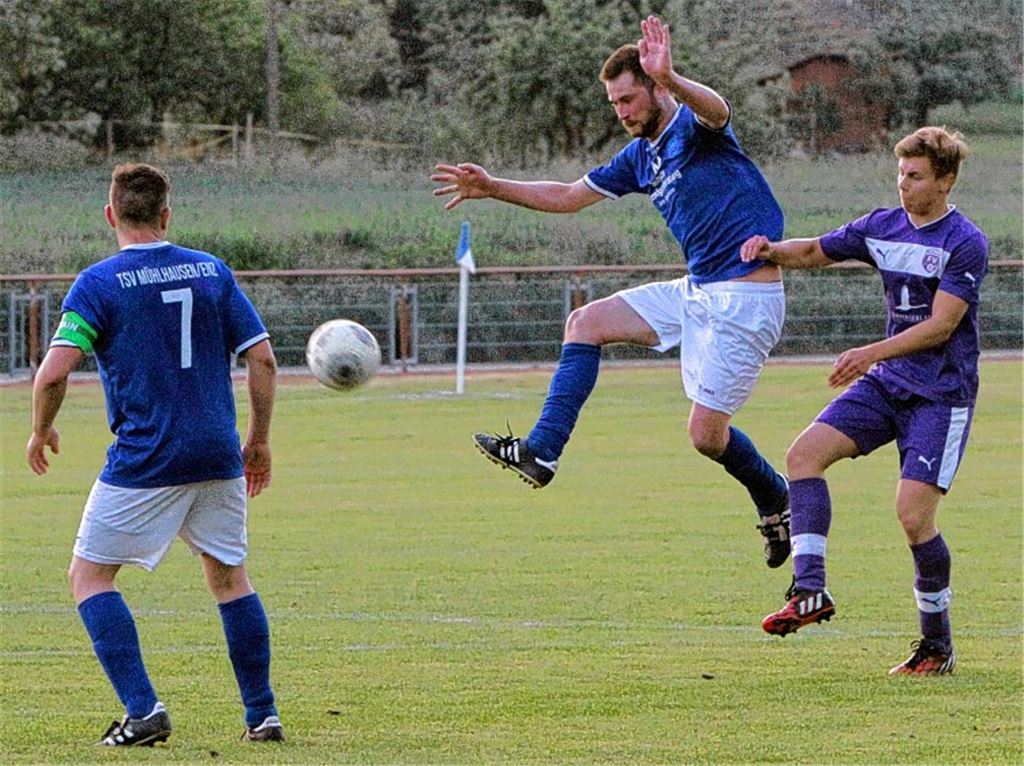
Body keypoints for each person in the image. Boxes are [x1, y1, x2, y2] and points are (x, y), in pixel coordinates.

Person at [431, 15, 791, 567]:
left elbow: (719, 109)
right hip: (698, 290)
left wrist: (672, 77)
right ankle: (541, 452)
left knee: (705, 436)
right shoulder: (642, 157)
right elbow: (570, 195)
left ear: (653, 88)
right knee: (586, 323)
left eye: (628, 99)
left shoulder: (696, 128)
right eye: (614, 104)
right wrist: (492, 188)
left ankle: (775, 496)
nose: (622, 113)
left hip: (746, 297)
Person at [26, 163, 286, 744]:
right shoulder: (212, 271)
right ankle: (262, 715)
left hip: (145, 460)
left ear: (111, 214)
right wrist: (258, 440)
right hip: (218, 455)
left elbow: (51, 374)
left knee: (89, 577)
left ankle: (144, 711)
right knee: (230, 580)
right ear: (167, 215)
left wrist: (41, 430)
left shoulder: (97, 283)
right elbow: (263, 358)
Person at [740, 126, 988, 675]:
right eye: (900, 172)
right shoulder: (881, 225)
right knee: (804, 454)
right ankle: (809, 590)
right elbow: (814, 250)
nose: (903, 183)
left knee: (912, 516)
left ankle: (936, 647)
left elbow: (942, 326)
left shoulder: (964, 241)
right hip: (888, 384)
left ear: (945, 181)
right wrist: (769, 249)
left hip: (940, 395)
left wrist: (869, 353)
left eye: (915, 175)